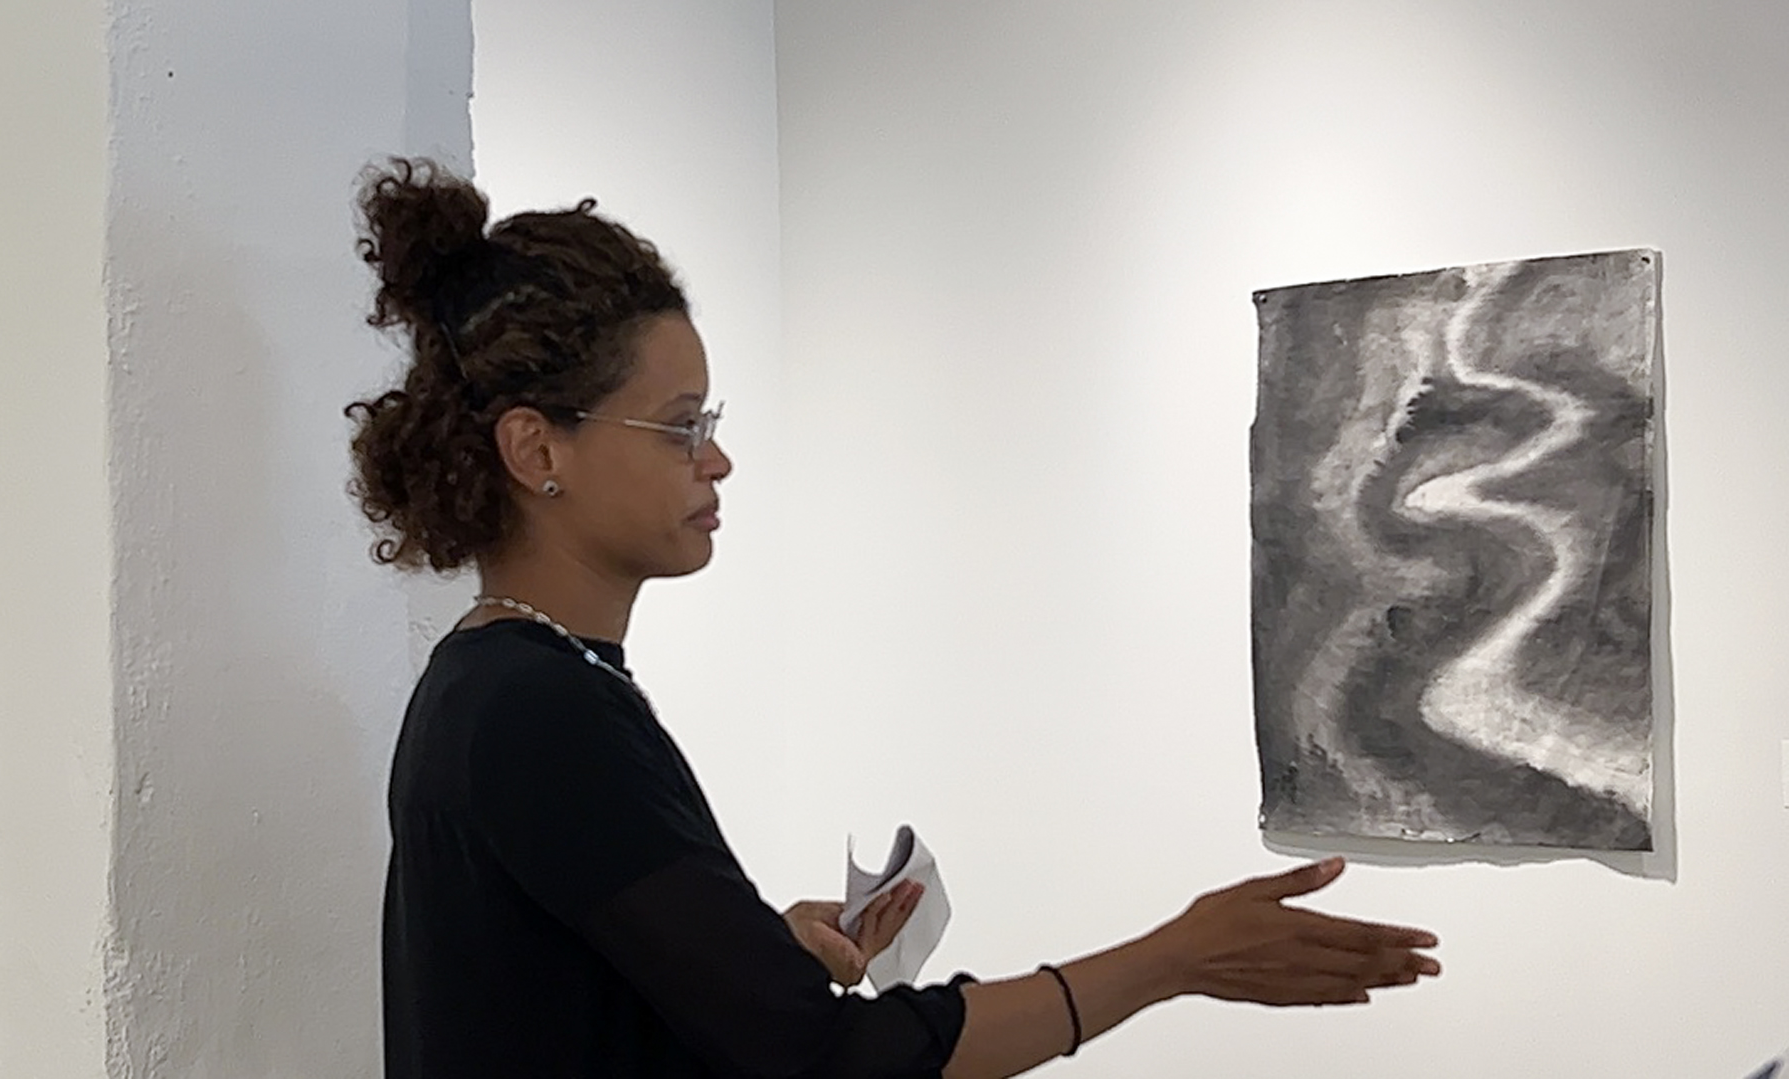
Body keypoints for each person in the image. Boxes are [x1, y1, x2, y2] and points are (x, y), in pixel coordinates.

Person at [351, 157, 1442, 1078]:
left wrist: (753, 954)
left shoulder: (510, 679)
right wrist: (1171, 959)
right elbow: (828, 1058)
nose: (717, 460)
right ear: (537, 448)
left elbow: (571, 999)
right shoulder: (535, 707)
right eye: (681, 427)